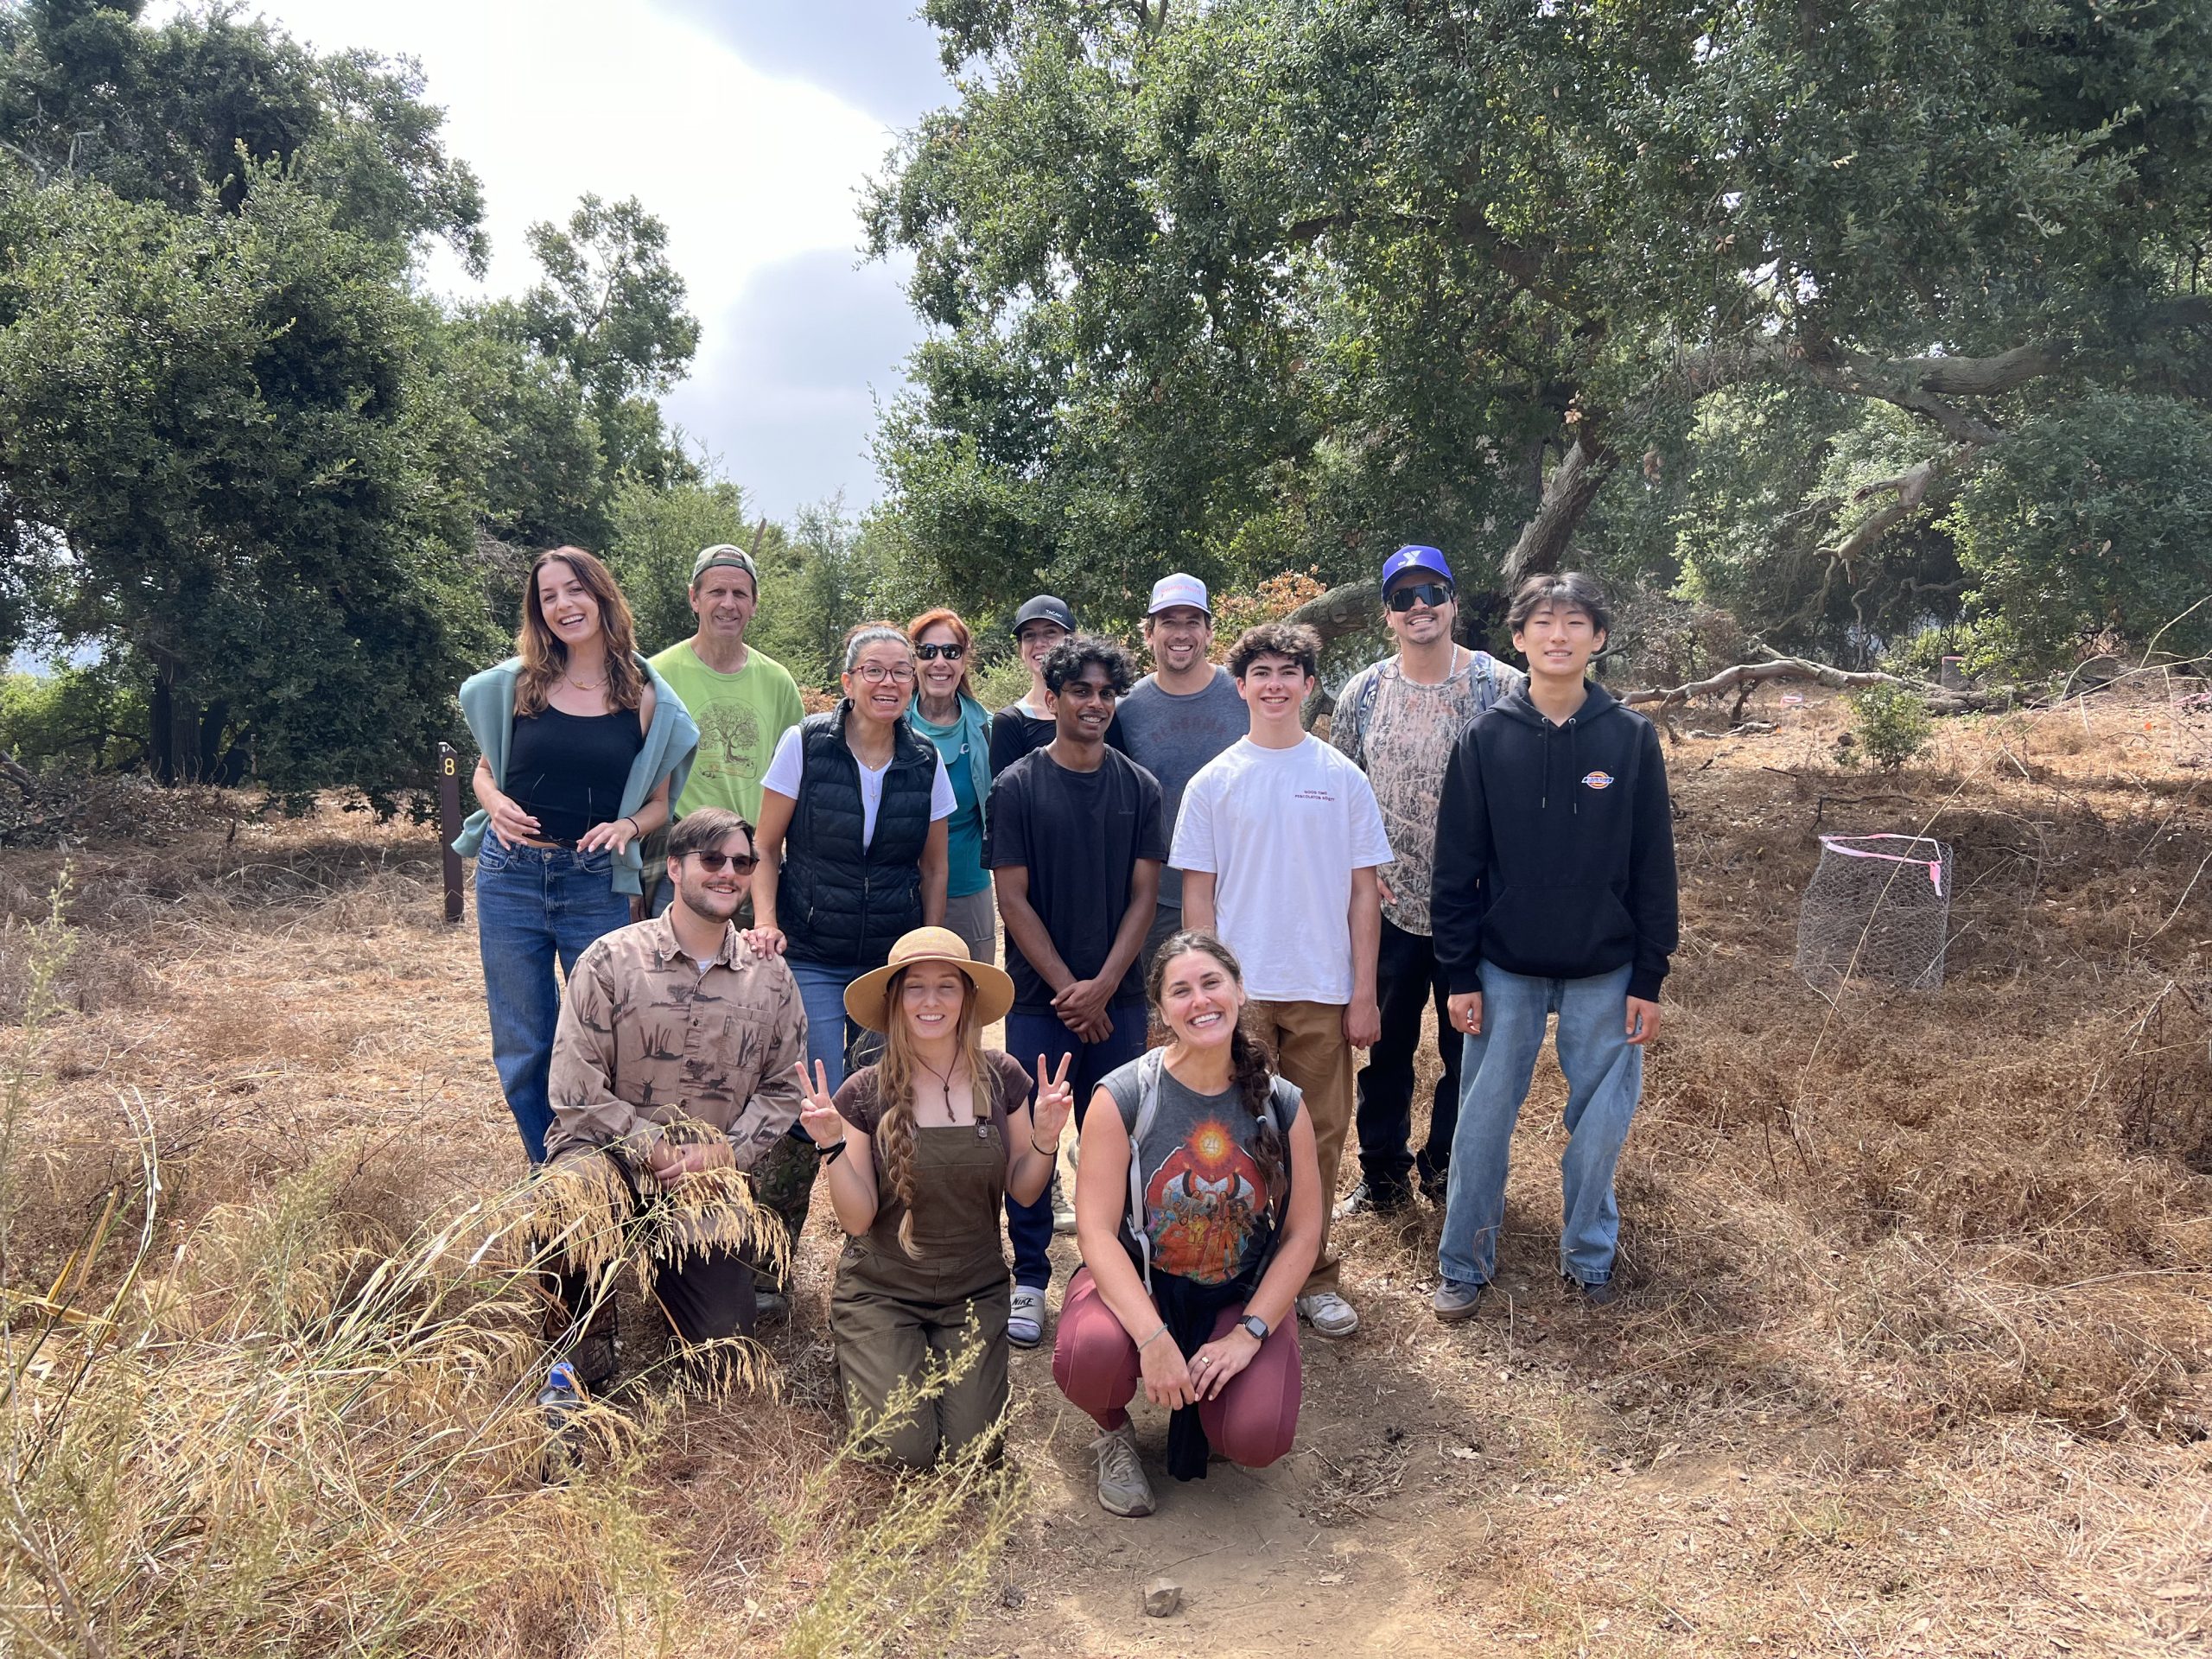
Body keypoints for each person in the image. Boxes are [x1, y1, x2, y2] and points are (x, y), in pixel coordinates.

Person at [1429, 572, 1679, 1320]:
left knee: (1600, 1124)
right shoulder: (1486, 737)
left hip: (1606, 967)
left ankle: (1587, 1256)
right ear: (1519, 638)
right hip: (1504, 965)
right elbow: (1456, 865)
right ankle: (1464, 1262)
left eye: (1575, 622)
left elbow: (1652, 865)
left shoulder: (1630, 739)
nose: (1559, 635)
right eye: (1543, 621)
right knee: (1480, 1120)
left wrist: (1649, 975)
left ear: (1598, 638)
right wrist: (1459, 972)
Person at [536, 808, 810, 1391]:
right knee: (566, 1198)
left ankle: (675, 1285)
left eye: (743, 863)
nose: (728, 874)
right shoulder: (611, 960)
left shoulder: (771, 977)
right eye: (712, 860)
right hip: (608, 1160)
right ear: (678, 868)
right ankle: (583, 1337)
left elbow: (785, 1089)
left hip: (705, 1178)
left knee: (720, 1358)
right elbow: (572, 1087)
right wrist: (648, 1147)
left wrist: (727, 1155)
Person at [1052, 932, 1322, 1518]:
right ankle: (1114, 1431)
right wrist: (1152, 1339)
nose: (1200, 1001)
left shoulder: (1282, 1104)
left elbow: (1304, 1233)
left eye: (1212, 983)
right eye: (1181, 991)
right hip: (1143, 1284)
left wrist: (1248, 1335)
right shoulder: (1125, 1096)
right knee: (1090, 1352)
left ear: (1239, 991)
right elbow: (1096, 1231)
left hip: (1236, 1293)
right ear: (1162, 1010)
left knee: (1259, 1436)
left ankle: (1213, 1397)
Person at [1173, 621, 1389, 1338]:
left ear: (1309, 685)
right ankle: (1236, 1269)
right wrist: (1204, 993)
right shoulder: (1214, 782)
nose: (1274, 684)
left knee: (1319, 1137)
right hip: (1242, 996)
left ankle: (1313, 1276)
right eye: (1260, 672)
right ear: (1240, 687)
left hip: (1323, 990)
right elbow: (1198, 899)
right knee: (1233, 1136)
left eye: (1289, 672)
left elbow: (1364, 893)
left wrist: (1363, 992)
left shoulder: (1341, 778)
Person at [792, 928, 1076, 1469]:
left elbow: (1024, 1189)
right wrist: (830, 1144)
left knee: (973, 1452)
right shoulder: (862, 1092)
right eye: (915, 987)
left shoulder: (1003, 1077)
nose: (931, 1001)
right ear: (895, 1001)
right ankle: (865, 1354)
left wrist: (1044, 1137)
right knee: (906, 1453)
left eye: (947, 986)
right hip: (882, 1290)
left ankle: (904, 1369)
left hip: (974, 1287)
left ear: (968, 998)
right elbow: (856, 1221)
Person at [456, 545, 698, 1165]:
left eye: (574, 590)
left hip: (595, 883)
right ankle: (555, 1179)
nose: (563, 605)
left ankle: (611, 1170)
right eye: (548, 596)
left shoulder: (643, 697)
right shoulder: (518, 687)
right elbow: (486, 772)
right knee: (524, 1043)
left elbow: (660, 808)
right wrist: (494, 801)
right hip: (510, 876)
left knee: (606, 1038)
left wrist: (625, 824)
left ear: (601, 595)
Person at [750, 625, 956, 1274]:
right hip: (812, 948)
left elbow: (935, 867)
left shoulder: (925, 758)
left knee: (883, 1103)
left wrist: (924, 954)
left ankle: (872, 1257)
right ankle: (768, 1260)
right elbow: (764, 846)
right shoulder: (805, 744)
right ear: (847, 682)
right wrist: (765, 920)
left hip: (886, 960)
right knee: (812, 1098)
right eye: (874, 670)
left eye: (901, 670)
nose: (889, 681)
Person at [1329, 546, 1523, 1217]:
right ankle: (1381, 1176)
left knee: (1468, 1048)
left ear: (1454, 602)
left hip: (1477, 909)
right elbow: (1342, 791)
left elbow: (1528, 791)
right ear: (1387, 614)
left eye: (1431, 593)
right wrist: (1358, 875)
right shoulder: (1365, 693)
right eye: (1403, 598)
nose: (1420, 608)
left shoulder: (1502, 686)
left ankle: (1446, 1170)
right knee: (1383, 1049)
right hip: (1385, 905)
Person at [987, 635, 1166, 1348]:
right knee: (1032, 1136)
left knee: (1120, 1139)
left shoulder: (1139, 787)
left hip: (1119, 1000)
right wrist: (1070, 989)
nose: (1094, 704)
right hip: (1041, 1001)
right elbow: (1012, 899)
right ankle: (1030, 1277)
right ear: (1053, 696)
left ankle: (1113, 1273)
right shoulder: (1017, 786)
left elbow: (1145, 897)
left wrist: (1106, 987)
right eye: (1080, 692)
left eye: (1105, 693)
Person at [645, 543, 806, 912]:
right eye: (716, 591)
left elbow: (797, 779)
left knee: (743, 967)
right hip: (678, 848)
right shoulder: (659, 675)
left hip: (749, 854)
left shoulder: (778, 682)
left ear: (754, 603)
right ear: (694, 598)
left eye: (740, 593)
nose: (728, 604)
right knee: (671, 966)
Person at [1114, 573, 1250, 965]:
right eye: (1169, 622)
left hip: (1242, 891)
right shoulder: (1127, 710)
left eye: (1192, 621)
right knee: (1165, 1019)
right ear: (1149, 634)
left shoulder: (1245, 695)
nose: (1181, 633)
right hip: (1160, 899)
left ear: (1209, 633)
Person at [906, 608, 997, 967]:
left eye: (951, 651)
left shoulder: (989, 729)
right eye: (928, 651)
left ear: (964, 660)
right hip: (900, 893)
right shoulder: (888, 726)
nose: (939, 661)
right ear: (914, 660)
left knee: (969, 1004)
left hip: (967, 890)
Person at [987, 594, 1128, 775]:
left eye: (1050, 632)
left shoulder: (1100, 707)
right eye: (1029, 636)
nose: (1039, 643)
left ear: (1071, 641)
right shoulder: (1010, 722)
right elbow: (1005, 794)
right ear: (1020, 650)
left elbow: (1121, 775)